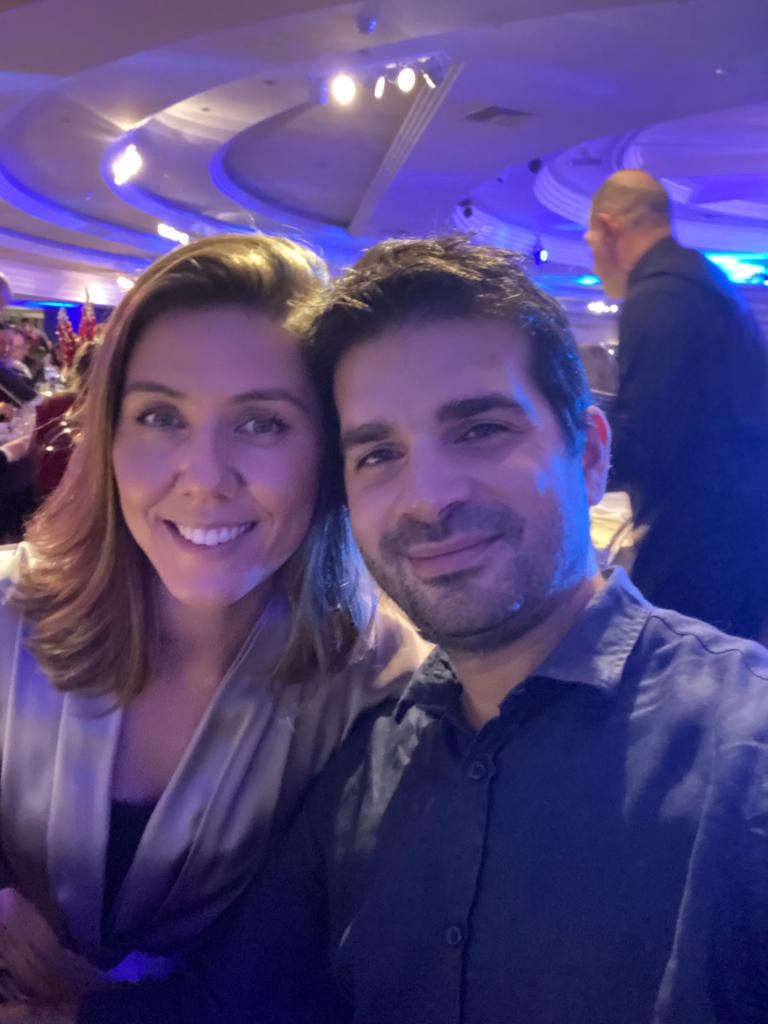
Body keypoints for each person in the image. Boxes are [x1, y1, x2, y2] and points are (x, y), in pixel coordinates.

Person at [51, 236, 768, 1024]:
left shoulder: (742, 751)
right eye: (379, 453)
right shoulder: (367, 759)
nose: (427, 498)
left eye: (479, 430)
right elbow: (226, 1009)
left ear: (591, 455)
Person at [0, 235, 427, 1007]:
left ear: (329, 452)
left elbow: (310, 975)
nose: (204, 478)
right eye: (160, 416)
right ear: (109, 436)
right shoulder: (6, 613)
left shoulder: (382, 690)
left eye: (262, 424)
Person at [585, 169, 768, 640]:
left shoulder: (659, 296)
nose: (594, 259)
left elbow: (648, 438)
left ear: (607, 229)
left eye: (591, 242)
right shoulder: (704, 281)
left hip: (703, 538)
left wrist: (576, 461)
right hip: (740, 529)